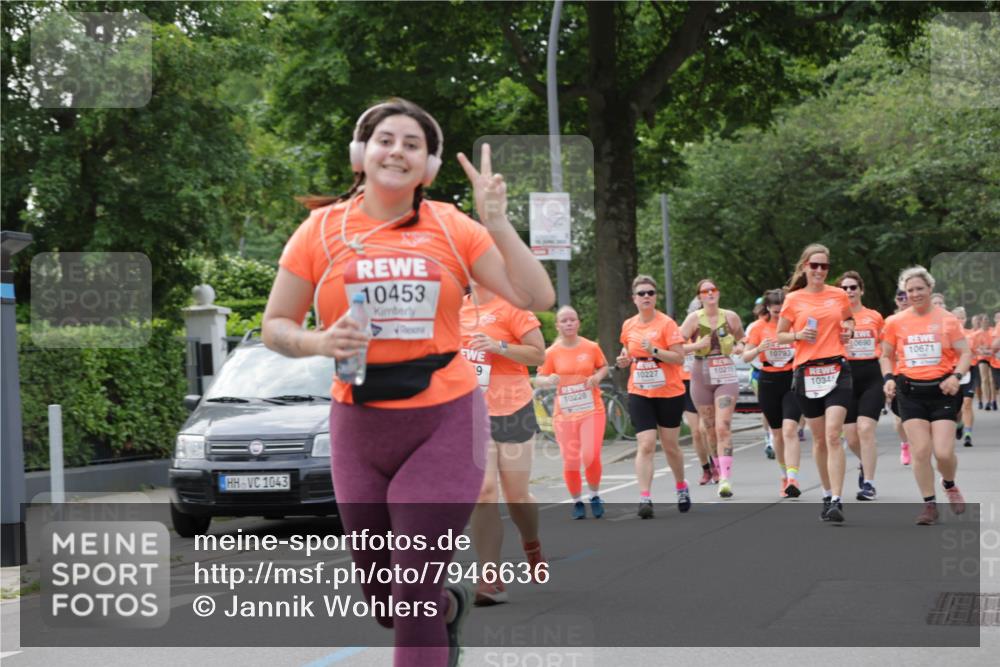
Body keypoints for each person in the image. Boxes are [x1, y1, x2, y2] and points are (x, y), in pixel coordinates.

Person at [262, 98, 555, 667]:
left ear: (428, 167)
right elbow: (276, 326)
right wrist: (318, 343)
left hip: (444, 419)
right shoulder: (319, 231)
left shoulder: (452, 226)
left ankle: (433, 607)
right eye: (385, 139)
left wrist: (496, 219)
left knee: (413, 584)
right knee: (386, 596)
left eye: (412, 144)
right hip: (357, 422)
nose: (397, 150)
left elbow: (536, 297)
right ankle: (450, 606)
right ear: (361, 154)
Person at [460, 284, 547, 607]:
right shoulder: (454, 310)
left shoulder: (513, 306)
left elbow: (539, 354)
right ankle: (490, 578)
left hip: (512, 409)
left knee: (517, 495)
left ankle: (531, 542)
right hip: (470, 413)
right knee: (483, 491)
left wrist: (498, 346)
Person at [880, 266, 972, 525]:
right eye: (909, 290)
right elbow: (886, 355)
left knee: (943, 453)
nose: (915, 294)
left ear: (930, 289)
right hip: (910, 392)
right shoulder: (895, 322)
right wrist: (888, 378)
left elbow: (965, 353)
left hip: (942, 391)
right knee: (920, 451)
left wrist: (956, 376)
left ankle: (950, 484)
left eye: (920, 288)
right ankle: (929, 505)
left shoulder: (947, 320)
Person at [775, 244, 854, 523]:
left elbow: (849, 320)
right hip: (807, 372)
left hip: (836, 368)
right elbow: (780, 335)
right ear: (805, 267)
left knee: (834, 434)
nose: (820, 271)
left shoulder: (839, 295)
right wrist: (798, 335)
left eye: (825, 266)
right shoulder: (794, 299)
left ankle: (837, 500)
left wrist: (850, 329)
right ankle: (826, 492)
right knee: (819, 439)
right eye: (815, 265)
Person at [616, 275, 690, 518]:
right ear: (634, 299)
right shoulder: (628, 325)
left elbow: (679, 358)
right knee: (646, 444)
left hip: (669, 391)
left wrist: (655, 351)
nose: (646, 296)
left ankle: (681, 487)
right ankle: (645, 498)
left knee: (670, 446)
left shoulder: (667, 324)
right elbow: (627, 349)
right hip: (640, 391)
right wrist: (624, 359)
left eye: (650, 293)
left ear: (655, 296)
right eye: (641, 294)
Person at [535, 305, 609, 518]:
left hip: (591, 409)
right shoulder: (551, 353)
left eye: (572, 320)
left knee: (590, 454)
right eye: (564, 321)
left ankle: (594, 495)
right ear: (557, 325)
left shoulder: (591, 347)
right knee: (570, 460)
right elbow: (538, 379)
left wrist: (597, 377)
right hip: (565, 414)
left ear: (578, 323)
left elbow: (603, 366)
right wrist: (548, 380)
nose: (568, 323)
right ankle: (577, 501)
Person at [679, 279, 745, 498]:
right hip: (701, 375)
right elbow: (676, 347)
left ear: (718, 293)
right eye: (705, 291)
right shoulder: (693, 319)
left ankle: (725, 478)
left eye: (713, 290)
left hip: (725, 373)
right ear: (699, 296)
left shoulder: (731, 316)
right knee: (708, 428)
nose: (709, 293)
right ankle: (716, 467)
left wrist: (739, 347)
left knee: (722, 426)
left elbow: (743, 339)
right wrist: (697, 345)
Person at [742, 289, 803, 498]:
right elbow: (745, 356)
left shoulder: (794, 324)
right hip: (768, 381)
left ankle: (794, 478)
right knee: (777, 433)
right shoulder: (759, 327)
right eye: (775, 312)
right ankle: (785, 476)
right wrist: (759, 348)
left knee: (790, 430)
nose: (779, 316)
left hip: (791, 380)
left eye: (782, 311)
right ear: (767, 308)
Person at [837, 271, 885, 501]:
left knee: (865, 429)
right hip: (845, 377)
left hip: (871, 375)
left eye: (853, 287)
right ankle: (865, 464)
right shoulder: (835, 318)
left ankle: (869, 484)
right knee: (852, 438)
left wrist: (889, 376)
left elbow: (885, 346)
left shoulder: (874, 316)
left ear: (861, 290)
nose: (849, 292)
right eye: (844, 288)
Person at [683, 297, 717, 485]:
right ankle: (706, 469)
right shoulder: (683, 331)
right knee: (696, 431)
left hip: (706, 381)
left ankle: (716, 464)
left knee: (708, 428)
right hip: (687, 382)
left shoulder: (710, 331)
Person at [746, 298, 776, 460]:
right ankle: (769, 437)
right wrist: (758, 349)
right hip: (759, 371)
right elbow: (746, 351)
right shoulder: (754, 327)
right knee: (767, 409)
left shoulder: (783, 324)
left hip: (783, 372)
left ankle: (777, 436)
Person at [892, 289, 912, 464]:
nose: (904, 300)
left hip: (916, 374)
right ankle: (905, 444)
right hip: (896, 374)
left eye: (906, 297)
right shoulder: (891, 322)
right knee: (899, 419)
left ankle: (919, 444)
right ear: (896, 301)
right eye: (900, 298)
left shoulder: (918, 319)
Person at [952, 307, 976, 446]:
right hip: (953, 373)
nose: (960, 320)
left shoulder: (971, 334)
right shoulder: (948, 335)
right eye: (957, 317)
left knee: (967, 403)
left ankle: (968, 433)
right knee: (956, 408)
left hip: (970, 371)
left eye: (962, 317)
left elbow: (975, 351)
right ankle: (959, 423)